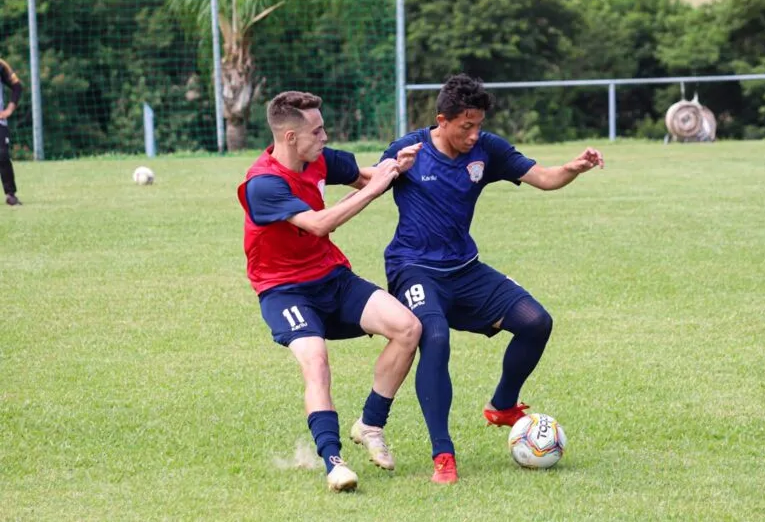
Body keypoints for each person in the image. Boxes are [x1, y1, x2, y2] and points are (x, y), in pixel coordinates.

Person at [379, 74, 604, 484]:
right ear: (442, 120)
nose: (474, 134)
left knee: (536, 322)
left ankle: (502, 406)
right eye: (466, 126)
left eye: (479, 125)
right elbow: (367, 181)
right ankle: (443, 454)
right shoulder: (409, 150)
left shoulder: (487, 149)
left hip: (465, 268)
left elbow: (544, 177)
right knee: (435, 338)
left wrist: (574, 167)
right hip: (413, 269)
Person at [237, 91, 423, 492]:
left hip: (332, 278)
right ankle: (333, 462)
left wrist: (395, 167)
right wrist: (374, 188)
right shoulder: (263, 184)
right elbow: (320, 223)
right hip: (285, 291)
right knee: (316, 361)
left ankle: (370, 423)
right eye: (317, 131)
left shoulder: (317, 158)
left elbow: (367, 176)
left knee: (408, 328)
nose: (325, 137)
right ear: (290, 137)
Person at [0, 58, 24, 206]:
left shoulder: (1, 65)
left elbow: (17, 87)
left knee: (2, 155)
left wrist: (9, 109)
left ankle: (11, 195)